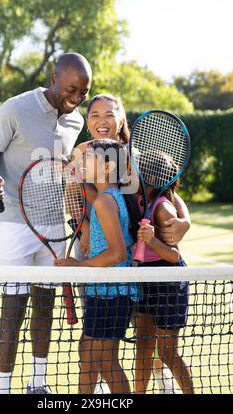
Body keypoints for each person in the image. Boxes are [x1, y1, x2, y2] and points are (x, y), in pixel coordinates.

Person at [0, 52, 92, 394]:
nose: (78, 97)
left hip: (53, 225)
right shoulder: (16, 108)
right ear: (54, 78)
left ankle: (38, 384)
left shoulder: (75, 121)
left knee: (45, 306)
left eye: (84, 92)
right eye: (72, 88)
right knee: (13, 309)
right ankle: (3, 389)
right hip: (11, 220)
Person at [72, 94, 191, 393]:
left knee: (138, 340)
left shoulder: (134, 157)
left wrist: (183, 221)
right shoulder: (81, 153)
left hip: (132, 264)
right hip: (101, 260)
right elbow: (72, 192)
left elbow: (169, 193)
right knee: (92, 348)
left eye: (110, 114)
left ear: (122, 119)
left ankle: (153, 385)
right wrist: (82, 227)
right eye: (94, 114)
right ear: (88, 121)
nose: (102, 121)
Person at [56, 139, 141, 394]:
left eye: (89, 158)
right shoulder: (107, 195)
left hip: (112, 293)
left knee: (105, 361)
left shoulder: (105, 201)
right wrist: (75, 174)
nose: (83, 162)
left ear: (107, 167)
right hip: (103, 292)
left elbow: (116, 254)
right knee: (90, 354)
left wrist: (77, 266)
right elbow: (86, 192)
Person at [133, 152, 194, 395]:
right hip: (144, 277)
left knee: (167, 351)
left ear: (151, 178)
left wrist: (152, 242)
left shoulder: (163, 209)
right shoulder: (136, 198)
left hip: (169, 279)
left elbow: (174, 256)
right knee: (143, 346)